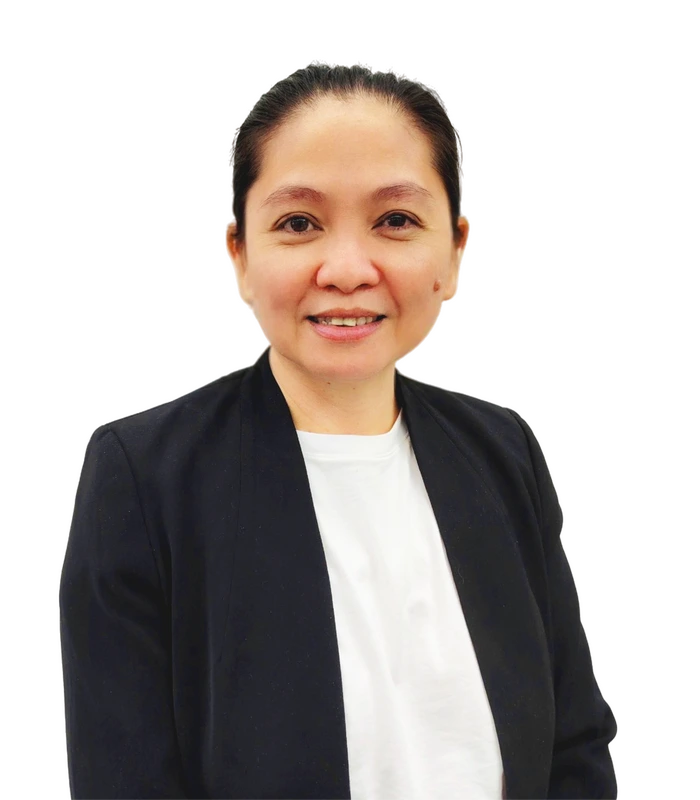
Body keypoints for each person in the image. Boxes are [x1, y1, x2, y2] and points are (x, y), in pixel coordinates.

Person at [59, 63, 616, 799]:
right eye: (299, 224)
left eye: (395, 220)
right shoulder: (146, 483)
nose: (347, 269)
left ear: (457, 249)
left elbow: (574, 747)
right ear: (237, 253)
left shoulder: (500, 451)